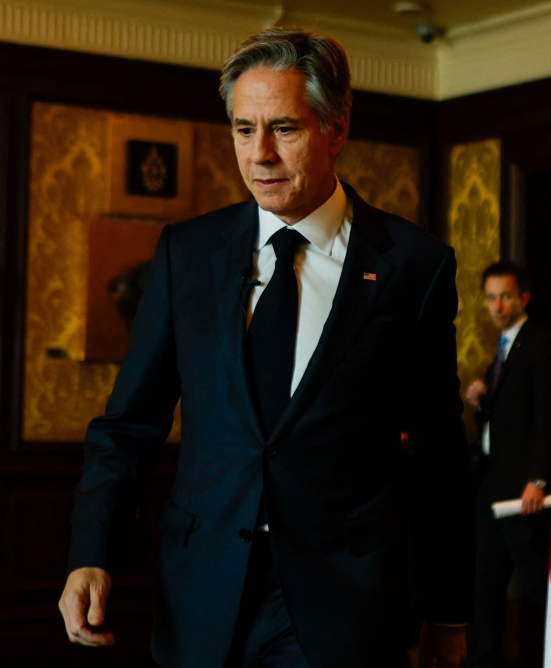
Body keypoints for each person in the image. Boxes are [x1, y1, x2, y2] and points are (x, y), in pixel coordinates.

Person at [57, 29, 473, 668]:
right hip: (203, 593)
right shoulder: (187, 255)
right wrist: (92, 552)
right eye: (243, 130)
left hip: (345, 605)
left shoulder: (413, 267)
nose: (261, 155)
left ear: (337, 128)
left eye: (284, 128)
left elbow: (441, 455)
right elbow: (128, 424)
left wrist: (449, 609)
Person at [464, 262, 551, 668]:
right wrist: (483, 399)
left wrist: (539, 478)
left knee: (536, 586)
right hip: (490, 488)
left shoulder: (540, 345)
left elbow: (547, 417)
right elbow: (508, 418)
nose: (497, 305)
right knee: (484, 587)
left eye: (504, 296)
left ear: (523, 298)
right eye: (490, 298)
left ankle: (550, 658)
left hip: (523, 494)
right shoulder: (503, 349)